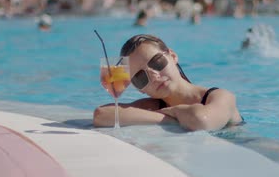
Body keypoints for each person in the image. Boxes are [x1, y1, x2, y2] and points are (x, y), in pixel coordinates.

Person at [93, 34, 243, 131]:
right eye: (140, 77)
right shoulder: (155, 106)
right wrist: (170, 118)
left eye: (156, 62)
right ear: (140, 89)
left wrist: (173, 111)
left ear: (172, 56)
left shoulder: (221, 96)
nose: (154, 76)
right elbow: (101, 115)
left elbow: (201, 120)